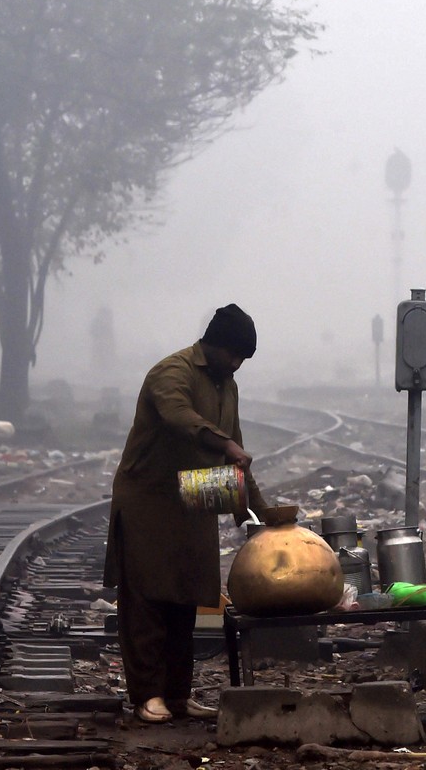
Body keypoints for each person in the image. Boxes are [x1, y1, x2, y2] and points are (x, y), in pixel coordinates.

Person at [103, 303, 269, 724]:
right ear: (213, 344)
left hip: (195, 495)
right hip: (150, 498)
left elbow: (237, 462)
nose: (236, 365)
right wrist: (224, 444)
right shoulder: (171, 373)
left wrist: (264, 516)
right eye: (233, 355)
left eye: (243, 361)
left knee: (186, 602)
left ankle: (177, 695)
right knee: (146, 602)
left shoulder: (227, 384)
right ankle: (146, 696)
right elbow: (180, 418)